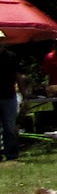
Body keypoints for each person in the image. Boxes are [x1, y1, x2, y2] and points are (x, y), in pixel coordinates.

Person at [0, 32, 20, 161]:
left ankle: (11, 153)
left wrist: (25, 94)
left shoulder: (11, 57)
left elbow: (18, 75)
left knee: (10, 126)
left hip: (9, 95)